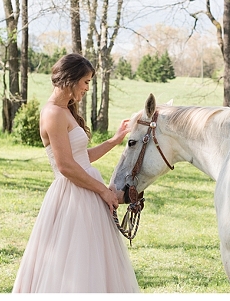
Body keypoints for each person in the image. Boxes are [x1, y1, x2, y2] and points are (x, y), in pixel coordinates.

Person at [13, 53, 139, 292]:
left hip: (86, 189)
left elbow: (81, 158)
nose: (87, 88)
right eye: (86, 82)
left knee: (93, 257)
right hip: (72, 194)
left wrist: (114, 140)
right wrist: (103, 190)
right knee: (75, 259)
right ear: (71, 79)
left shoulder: (65, 110)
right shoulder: (52, 113)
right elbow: (65, 166)